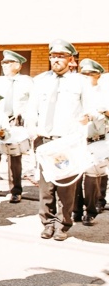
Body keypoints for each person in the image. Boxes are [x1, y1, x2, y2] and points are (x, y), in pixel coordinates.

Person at [25, 39, 88, 241]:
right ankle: (48, 223)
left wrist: (82, 126)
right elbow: (31, 109)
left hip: (66, 142)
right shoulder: (41, 80)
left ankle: (63, 224)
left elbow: (89, 109)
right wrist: (31, 129)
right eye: (53, 56)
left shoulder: (80, 82)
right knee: (46, 187)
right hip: (45, 141)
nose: (56, 60)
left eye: (61, 56)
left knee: (66, 188)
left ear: (71, 59)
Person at [0, 50, 33, 203]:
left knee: (14, 158)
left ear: (19, 65)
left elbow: (32, 102)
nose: (5, 65)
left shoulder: (26, 81)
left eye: (9, 63)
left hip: (16, 123)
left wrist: (26, 117)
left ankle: (16, 190)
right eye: (3, 63)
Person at [74, 58, 108, 226]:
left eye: (89, 74)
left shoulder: (103, 93)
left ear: (97, 76)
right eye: (83, 74)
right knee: (75, 176)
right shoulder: (77, 92)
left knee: (92, 177)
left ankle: (91, 210)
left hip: (96, 139)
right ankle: (76, 209)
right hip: (77, 139)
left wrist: (97, 114)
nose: (86, 77)